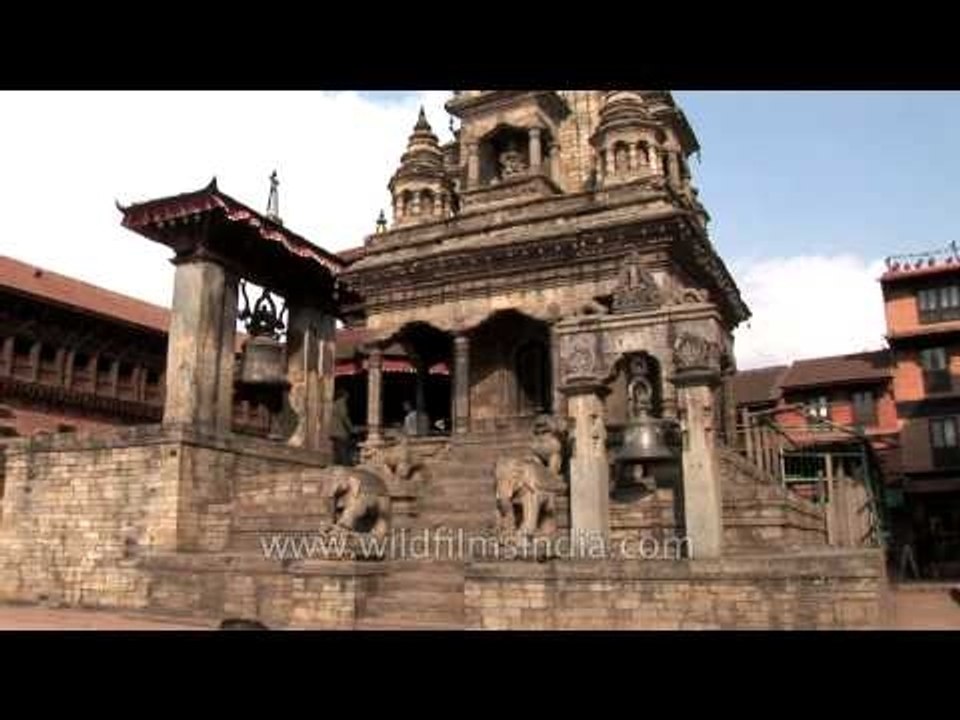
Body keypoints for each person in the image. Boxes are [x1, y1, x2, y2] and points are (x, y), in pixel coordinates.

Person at [330, 388, 354, 465]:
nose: (348, 396)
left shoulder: (334, 403)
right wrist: (351, 428)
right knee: (344, 451)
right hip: (340, 432)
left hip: (334, 432)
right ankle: (345, 467)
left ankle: (337, 466)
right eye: (347, 394)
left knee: (337, 451)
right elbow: (344, 416)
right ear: (344, 395)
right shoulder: (341, 402)